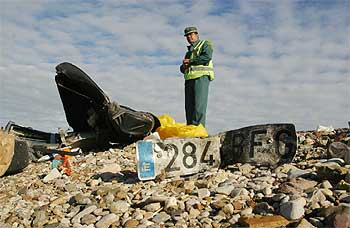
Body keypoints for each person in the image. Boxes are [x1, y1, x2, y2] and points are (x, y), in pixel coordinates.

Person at [180, 26, 214, 127]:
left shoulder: (205, 44)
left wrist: (190, 61)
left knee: (199, 106)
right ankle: (190, 129)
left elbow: (206, 57)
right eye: (187, 36)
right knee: (189, 107)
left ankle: (198, 130)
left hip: (201, 78)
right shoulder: (188, 52)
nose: (189, 37)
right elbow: (184, 68)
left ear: (196, 35)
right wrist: (183, 67)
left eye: (191, 34)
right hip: (189, 80)